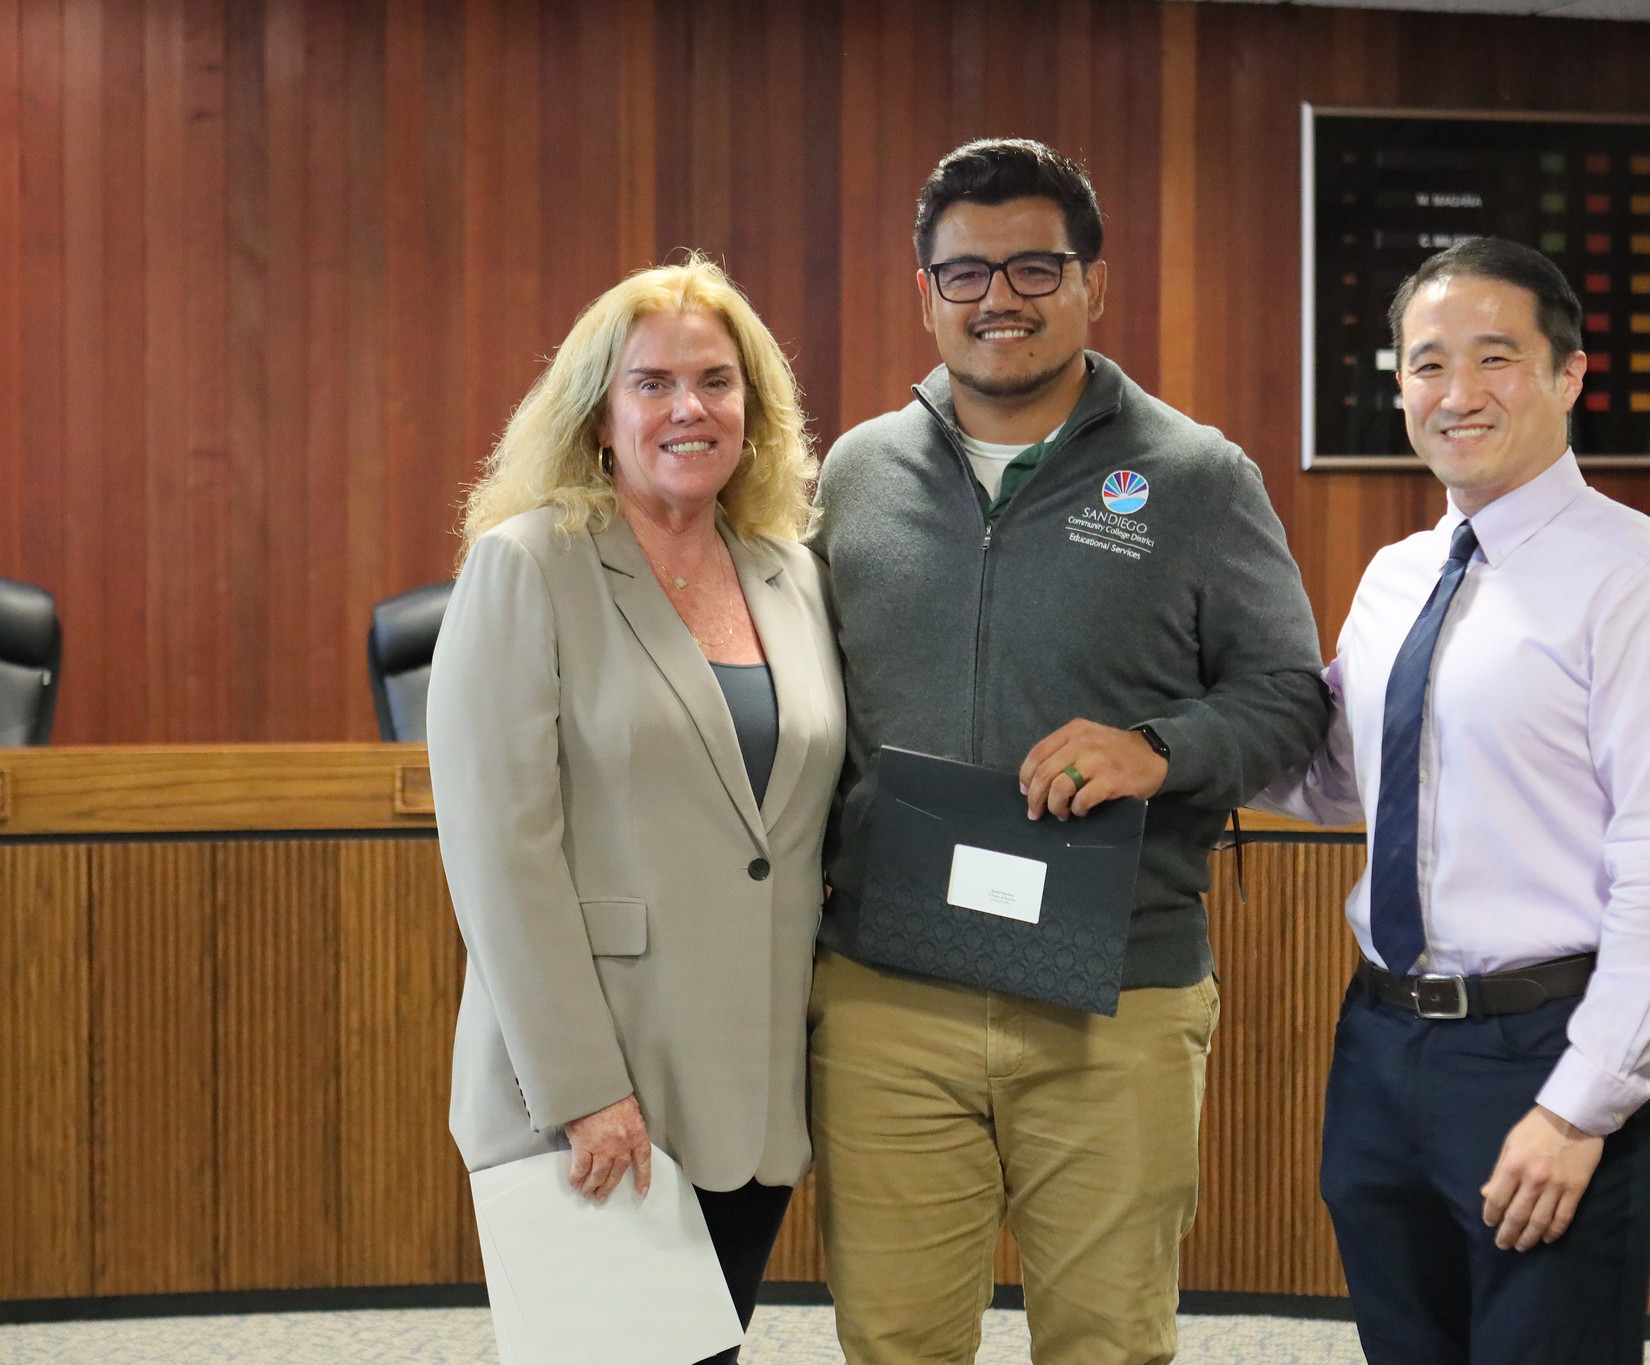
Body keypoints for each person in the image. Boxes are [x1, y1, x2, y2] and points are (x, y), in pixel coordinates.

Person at [808, 138, 1328, 1364]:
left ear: (1097, 283)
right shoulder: (854, 477)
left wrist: (1162, 748)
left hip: (1114, 996)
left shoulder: (1195, 477)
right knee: (892, 1343)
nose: (1000, 298)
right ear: (923, 295)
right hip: (891, 995)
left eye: (1037, 266)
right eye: (966, 272)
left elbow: (1286, 699)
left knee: (1105, 1342)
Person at [1258, 237, 1650, 1365]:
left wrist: (1579, 1106)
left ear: (1568, 375)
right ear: (1397, 387)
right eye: (1427, 364)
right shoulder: (1396, 578)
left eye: (1496, 358)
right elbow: (1347, 784)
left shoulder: (1644, 587)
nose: (1458, 393)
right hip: (1380, 1047)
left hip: (1545, 1046)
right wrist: (1175, 733)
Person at [427, 257, 845, 1364]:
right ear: (599, 414)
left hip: (751, 1082)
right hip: (601, 1081)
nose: (686, 409)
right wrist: (582, 1089)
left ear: (753, 410)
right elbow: (499, 852)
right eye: (651, 383)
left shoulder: (789, 573)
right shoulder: (529, 566)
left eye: (715, 380)